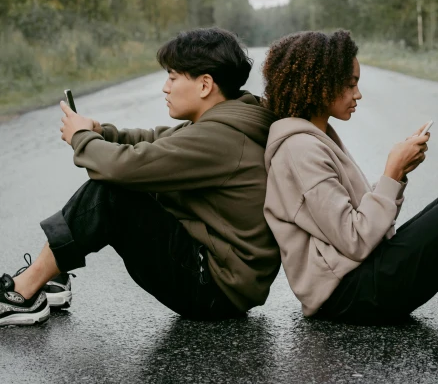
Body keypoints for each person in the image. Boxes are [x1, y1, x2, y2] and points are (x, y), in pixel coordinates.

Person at [0, 28, 280, 327]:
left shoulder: (221, 137)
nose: (165, 87)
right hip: (223, 278)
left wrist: (81, 138)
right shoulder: (231, 118)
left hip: (214, 289)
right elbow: (158, 141)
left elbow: (124, 167)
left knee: (111, 194)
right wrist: (103, 133)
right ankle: (49, 279)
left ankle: (22, 293)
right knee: (124, 188)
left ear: (205, 85)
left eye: (173, 77)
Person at [262, 29, 438, 323]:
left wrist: (398, 176)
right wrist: (392, 172)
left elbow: (360, 223)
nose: (358, 94)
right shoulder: (299, 149)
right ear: (321, 86)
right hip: (349, 293)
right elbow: (354, 239)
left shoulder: (315, 138)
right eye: (351, 84)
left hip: (359, 278)